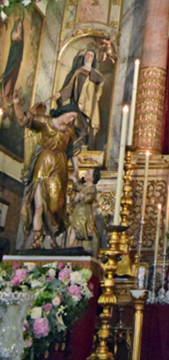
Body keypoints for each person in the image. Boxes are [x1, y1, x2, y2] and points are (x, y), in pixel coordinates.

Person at [12, 88, 83, 249]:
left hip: (60, 166)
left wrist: (76, 171)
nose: (72, 120)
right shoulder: (44, 122)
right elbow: (23, 120)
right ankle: (36, 241)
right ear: (64, 113)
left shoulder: (70, 131)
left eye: (74, 118)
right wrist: (16, 104)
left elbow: (73, 151)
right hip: (43, 164)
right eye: (71, 116)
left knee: (55, 205)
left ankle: (53, 239)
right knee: (38, 205)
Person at [54, 48, 103, 148]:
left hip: (89, 104)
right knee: (76, 124)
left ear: (93, 59)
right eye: (87, 55)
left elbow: (99, 85)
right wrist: (60, 94)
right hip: (77, 104)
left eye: (91, 56)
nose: (88, 57)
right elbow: (71, 87)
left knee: (87, 125)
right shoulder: (78, 72)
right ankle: (75, 146)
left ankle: (85, 145)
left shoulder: (95, 74)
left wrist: (92, 73)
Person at [67, 167, 100, 254]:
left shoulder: (92, 188)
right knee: (74, 226)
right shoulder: (85, 187)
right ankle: (71, 244)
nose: (85, 174)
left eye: (88, 173)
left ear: (92, 178)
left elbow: (89, 198)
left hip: (84, 211)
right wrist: (73, 178)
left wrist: (82, 196)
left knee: (79, 226)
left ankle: (76, 244)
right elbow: (78, 186)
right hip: (78, 209)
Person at [1, 18, 23, 103]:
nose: (20, 29)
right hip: (13, 57)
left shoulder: (20, 39)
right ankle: (6, 92)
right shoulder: (15, 33)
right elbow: (15, 37)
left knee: (13, 76)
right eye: (19, 27)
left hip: (16, 59)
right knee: (9, 74)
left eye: (21, 28)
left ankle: (8, 93)